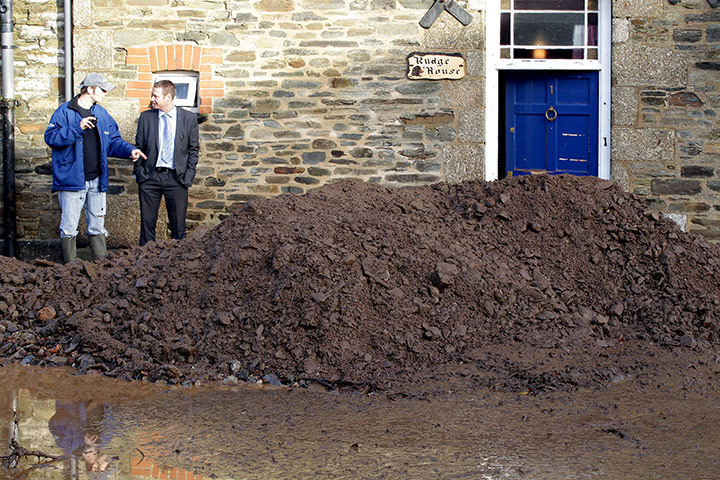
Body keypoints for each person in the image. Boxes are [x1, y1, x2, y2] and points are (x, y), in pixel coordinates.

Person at [44, 72, 146, 263]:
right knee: (69, 227)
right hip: (72, 181)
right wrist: (76, 128)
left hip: (97, 181)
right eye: (102, 89)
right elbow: (50, 138)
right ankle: (69, 271)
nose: (105, 93)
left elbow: (113, 141)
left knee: (97, 227)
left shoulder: (101, 113)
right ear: (90, 89)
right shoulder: (64, 112)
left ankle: (100, 269)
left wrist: (130, 150)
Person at [133, 80, 199, 246]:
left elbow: (193, 150)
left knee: (178, 228)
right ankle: (146, 265)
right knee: (147, 226)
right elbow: (139, 147)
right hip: (149, 177)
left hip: (176, 178)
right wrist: (140, 172)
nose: (152, 99)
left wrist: (188, 175)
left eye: (156, 96)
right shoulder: (146, 117)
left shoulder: (188, 118)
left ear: (168, 97)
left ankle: (177, 265)